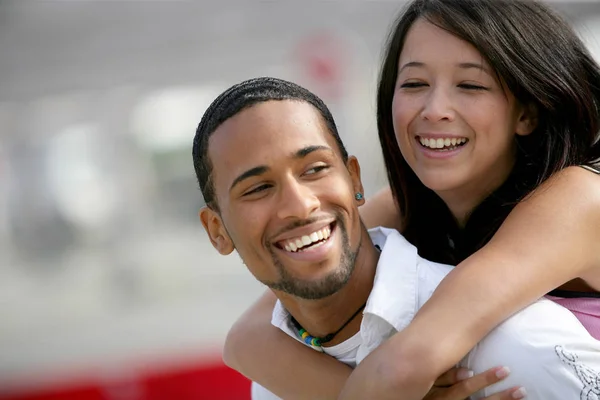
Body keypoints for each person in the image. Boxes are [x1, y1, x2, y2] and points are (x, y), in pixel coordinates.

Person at [222, 1, 600, 399]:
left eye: (470, 86)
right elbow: (247, 339)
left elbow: (405, 363)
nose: (434, 110)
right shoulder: (405, 207)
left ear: (528, 113)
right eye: (415, 84)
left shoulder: (581, 198)